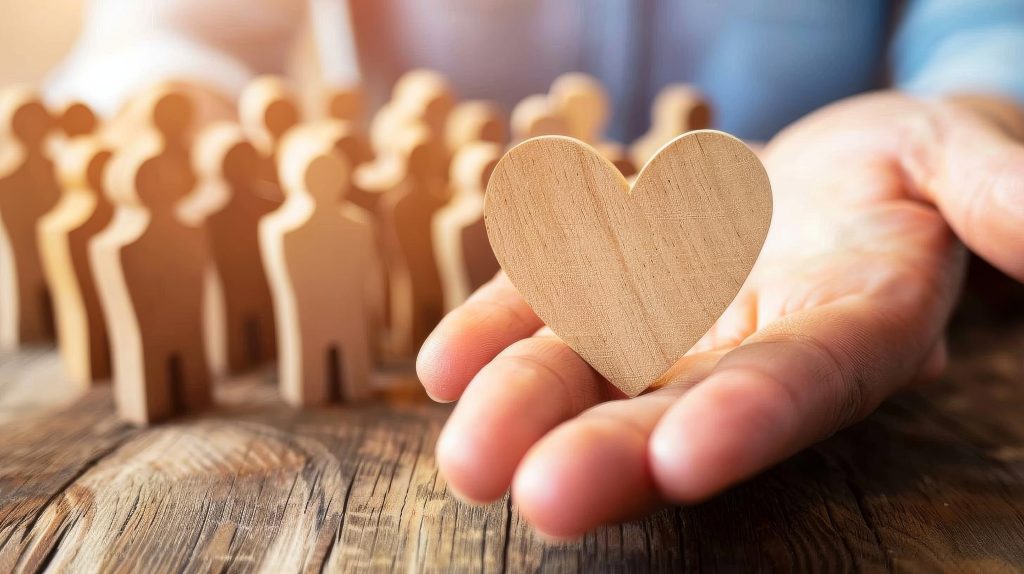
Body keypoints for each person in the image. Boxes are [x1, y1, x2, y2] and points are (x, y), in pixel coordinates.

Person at [46, 0, 1024, 538]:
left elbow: (982, 20)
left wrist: (978, 108)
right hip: (466, 260)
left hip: (810, 220)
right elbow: (173, 29)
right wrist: (167, 124)